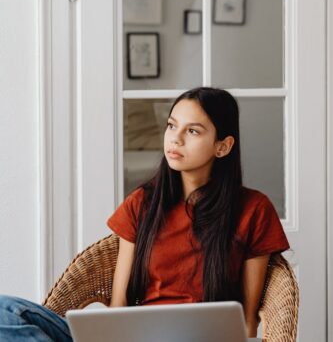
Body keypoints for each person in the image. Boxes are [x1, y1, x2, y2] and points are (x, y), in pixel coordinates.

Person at [0, 87, 289, 340]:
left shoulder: (253, 209)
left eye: (192, 131)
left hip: (199, 338)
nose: (175, 139)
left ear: (222, 146)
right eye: (171, 125)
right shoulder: (143, 202)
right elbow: (120, 301)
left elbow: (249, 318)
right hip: (133, 336)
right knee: (5, 311)